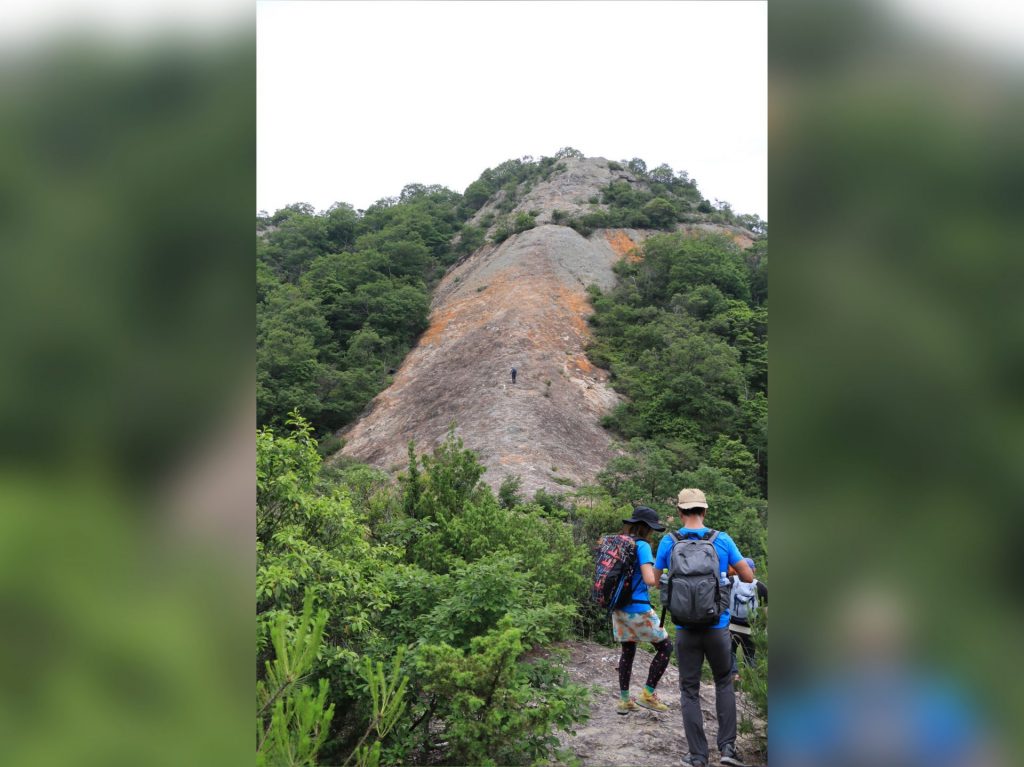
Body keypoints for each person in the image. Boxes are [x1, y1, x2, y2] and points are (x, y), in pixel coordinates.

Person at [654, 488, 755, 767]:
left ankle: (698, 756)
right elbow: (747, 575)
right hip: (718, 626)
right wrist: (727, 571)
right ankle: (727, 749)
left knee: (689, 689)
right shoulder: (721, 540)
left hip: (685, 628)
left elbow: (653, 579)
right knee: (724, 682)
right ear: (705, 510)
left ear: (679, 511)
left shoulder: (668, 541)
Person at [612, 506, 674, 715]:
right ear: (647, 528)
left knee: (628, 651)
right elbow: (650, 580)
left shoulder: (620, 543)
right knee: (665, 647)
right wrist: (663, 575)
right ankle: (647, 694)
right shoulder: (642, 546)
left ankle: (624, 701)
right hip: (637, 607)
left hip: (618, 606)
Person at [728, 558, 767, 682]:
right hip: (751, 628)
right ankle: (750, 682)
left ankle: (733, 678)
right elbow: (766, 612)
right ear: (754, 569)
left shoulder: (730, 582)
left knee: (730, 653)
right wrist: (762, 629)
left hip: (731, 626)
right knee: (750, 656)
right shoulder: (761, 587)